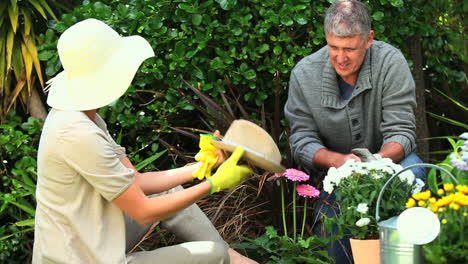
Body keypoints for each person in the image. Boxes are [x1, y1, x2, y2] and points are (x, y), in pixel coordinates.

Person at [32, 18, 257, 264]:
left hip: (94, 236)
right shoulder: (76, 133)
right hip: (80, 259)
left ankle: (235, 259)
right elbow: (144, 212)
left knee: (170, 191)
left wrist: (201, 166)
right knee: (214, 256)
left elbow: (136, 181)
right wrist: (213, 184)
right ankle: (229, 259)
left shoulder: (85, 116)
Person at [284, 0, 425, 263]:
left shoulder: (390, 62)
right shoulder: (304, 74)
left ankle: (404, 257)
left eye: (349, 49)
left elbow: (403, 132)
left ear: (369, 39)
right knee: (340, 205)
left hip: (391, 162)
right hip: (334, 171)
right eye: (333, 47)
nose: (340, 58)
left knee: (412, 172)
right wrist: (341, 163)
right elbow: (302, 140)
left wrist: (373, 167)